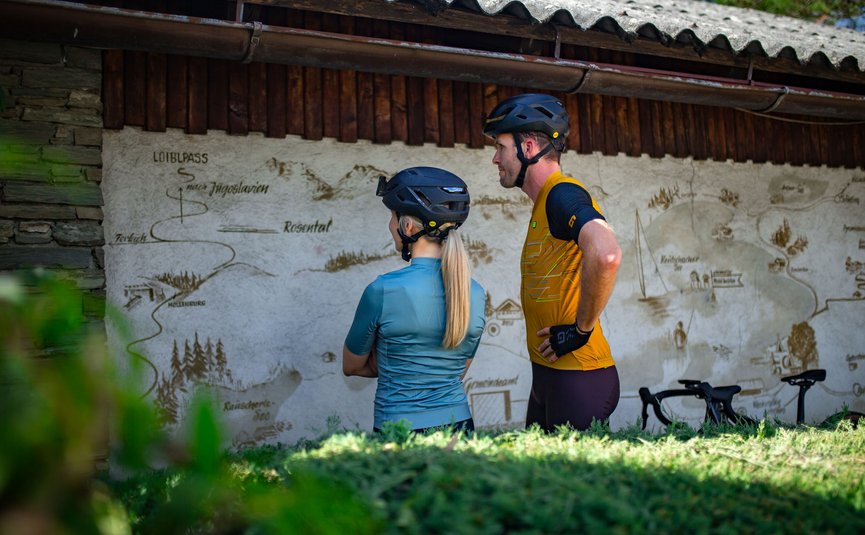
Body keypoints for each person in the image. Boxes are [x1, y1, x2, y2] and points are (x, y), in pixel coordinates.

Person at [483, 93, 622, 432]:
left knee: (571, 485)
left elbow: (606, 253)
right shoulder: (545, 202)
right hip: (550, 376)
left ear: (528, 147)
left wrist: (581, 331)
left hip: (578, 377)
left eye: (501, 147)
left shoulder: (562, 193)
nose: (495, 158)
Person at [343, 166, 486, 433]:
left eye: (392, 217)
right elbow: (458, 372)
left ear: (407, 226)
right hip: (460, 428)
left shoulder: (382, 290)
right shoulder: (475, 293)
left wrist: (391, 358)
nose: (390, 225)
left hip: (400, 429)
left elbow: (351, 366)